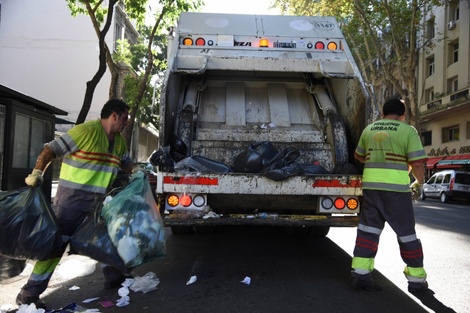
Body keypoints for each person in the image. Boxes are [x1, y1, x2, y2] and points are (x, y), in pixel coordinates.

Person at [16, 99, 141, 309]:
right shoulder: (85, 131)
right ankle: (29, 294)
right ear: (114, 116)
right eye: (125, 118)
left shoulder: (118, 141)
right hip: (71, 202)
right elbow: (51, 150)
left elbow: (124, 161)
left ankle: (114, 277)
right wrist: (38, 172)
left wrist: (136, 170)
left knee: (107, 239)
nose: (126, 123)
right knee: (56, 247)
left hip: (98, 203)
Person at [350, 98, 428, 293]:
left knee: (368, 230)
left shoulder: (370, 129)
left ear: (382, 113)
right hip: (397, 191)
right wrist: (419, 183)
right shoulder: (407, 131)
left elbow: (358, 155)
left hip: (371, 188)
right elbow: (417, 163)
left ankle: (361, 274)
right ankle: (416, 280)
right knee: (406, 234)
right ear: (402, 115)